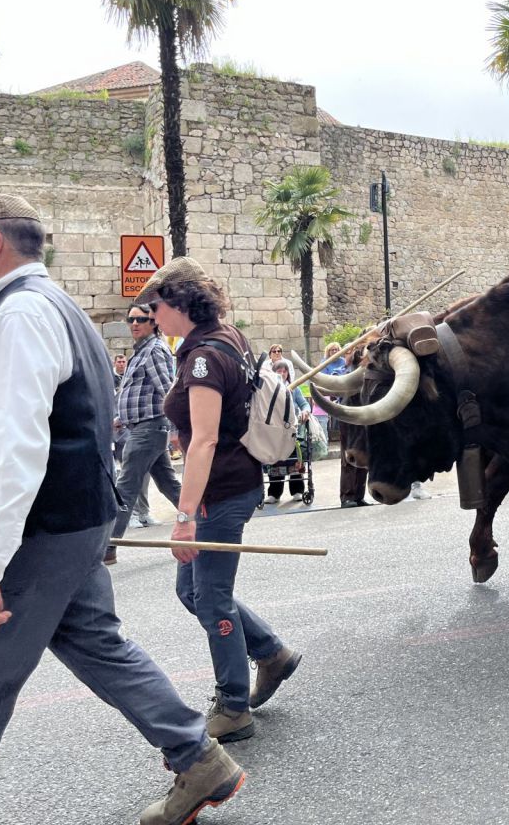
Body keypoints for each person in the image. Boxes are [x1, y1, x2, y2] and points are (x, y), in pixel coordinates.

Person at [0, 195, 245, 825]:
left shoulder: (18, 316)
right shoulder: (52, 308)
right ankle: (200, 760)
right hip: (72, 521)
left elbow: (15, 453)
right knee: (96, 643)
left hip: (36, 531)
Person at [136, 256, 302, 745]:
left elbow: (204, 440)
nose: (150, 317)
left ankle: (233, 706)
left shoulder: (204, 358)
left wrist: (185, 517)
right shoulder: (225, 336)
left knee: (209, 598)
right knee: (193, 592)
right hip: (232, 483)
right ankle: (271, 652)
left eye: (155, 307)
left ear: (179, 304)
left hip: (221, 490)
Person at [106, 303, 181, 564]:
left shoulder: (154, 350)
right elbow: (140, 393)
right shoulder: (140, 352)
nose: (134, 323)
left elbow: (167, 390)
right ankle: (204, 524)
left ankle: (108, 546)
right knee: (168, 483)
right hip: (141, 426)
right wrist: (120, 419)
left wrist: (177, 429)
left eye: (141, 319)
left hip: (150, 428)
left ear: (154, 323)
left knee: (125, 485)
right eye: (131, 319)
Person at [266, 358, 312, 504]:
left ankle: (298, 490)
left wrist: (305, 411)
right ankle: (274, 493)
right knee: (275, 461)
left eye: (284, 371)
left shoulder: (294, 388)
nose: (282, 373)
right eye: (279, 370)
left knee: (295, 460)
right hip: (274, 431)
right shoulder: (268, 389)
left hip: (292, 430)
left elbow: (305, 404)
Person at [338, 346, 371, 508]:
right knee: (349, 457)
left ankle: (358, 495)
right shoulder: (350, 372)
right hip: (349, 418)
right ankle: (347, 496)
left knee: (363, 455)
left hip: (364, 417)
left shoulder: (369, 372)